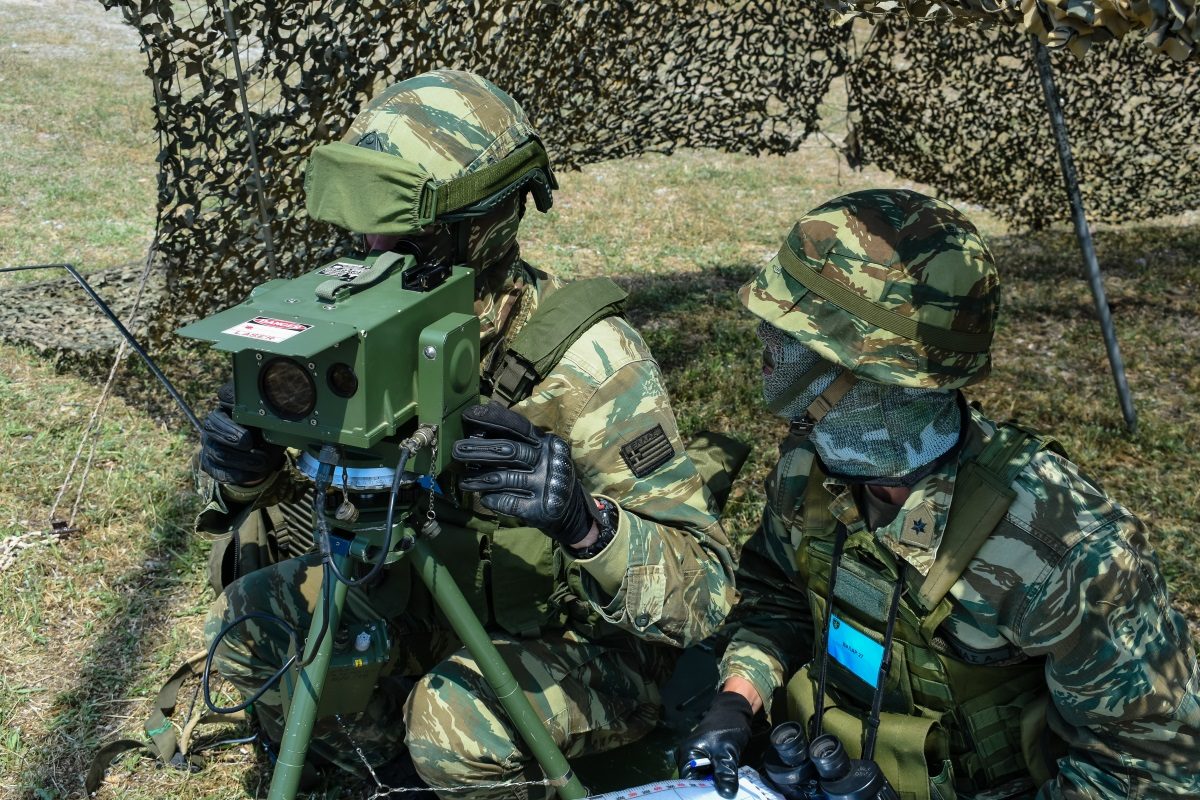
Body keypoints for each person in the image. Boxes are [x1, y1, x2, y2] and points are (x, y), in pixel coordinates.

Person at [195, 69, 738, 798]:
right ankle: (391, 772)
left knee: (452, 726)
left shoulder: (588, 360)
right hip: (426, 607)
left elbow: (705, 593)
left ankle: (464, 762)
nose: (374, 246)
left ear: (484, 224)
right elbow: (310, 497)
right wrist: (245, 469)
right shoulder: (355, 320)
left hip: (579, 643)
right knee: (252, 621)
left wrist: (585, 522)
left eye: (408, 233)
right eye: (365, 226)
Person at [676, 189, 1200, 799]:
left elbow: (1152, 773)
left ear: (867, 371)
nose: (766, 355)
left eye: (789, 339)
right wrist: (738, 700)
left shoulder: (1064, 550)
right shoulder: (807, 469)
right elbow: (777, 601)